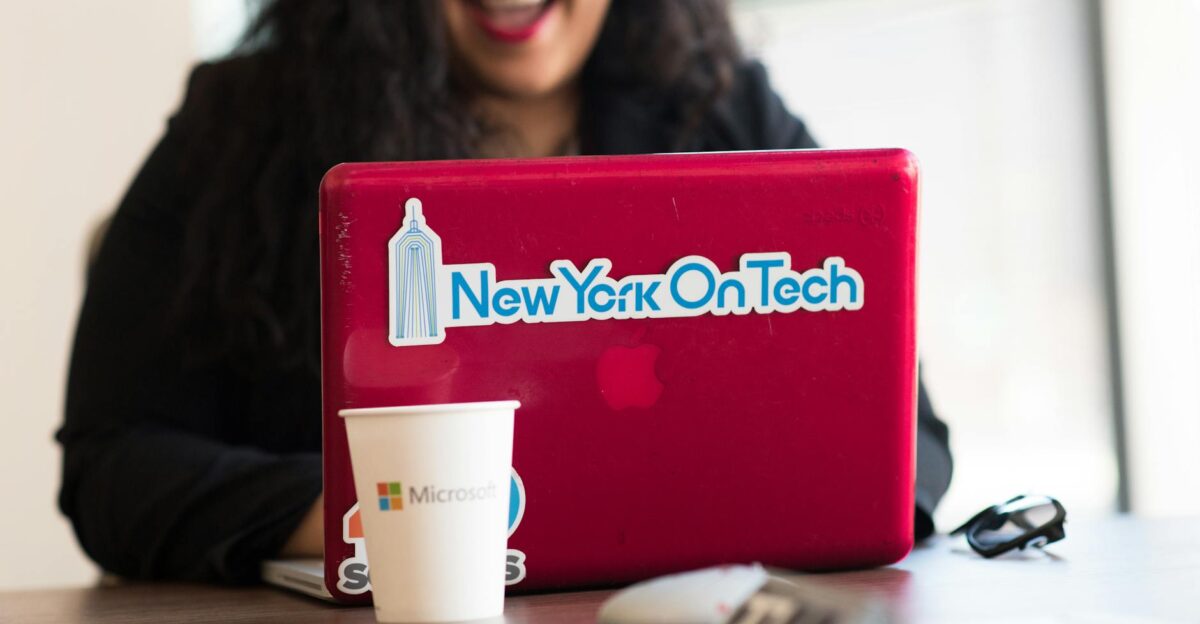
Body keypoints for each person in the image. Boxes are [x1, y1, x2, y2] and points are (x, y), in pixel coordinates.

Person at [59, 0, 953, 584]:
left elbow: (910, 451)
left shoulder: (720, 107)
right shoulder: (239, 127)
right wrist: (367, 512)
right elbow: (111, 464)